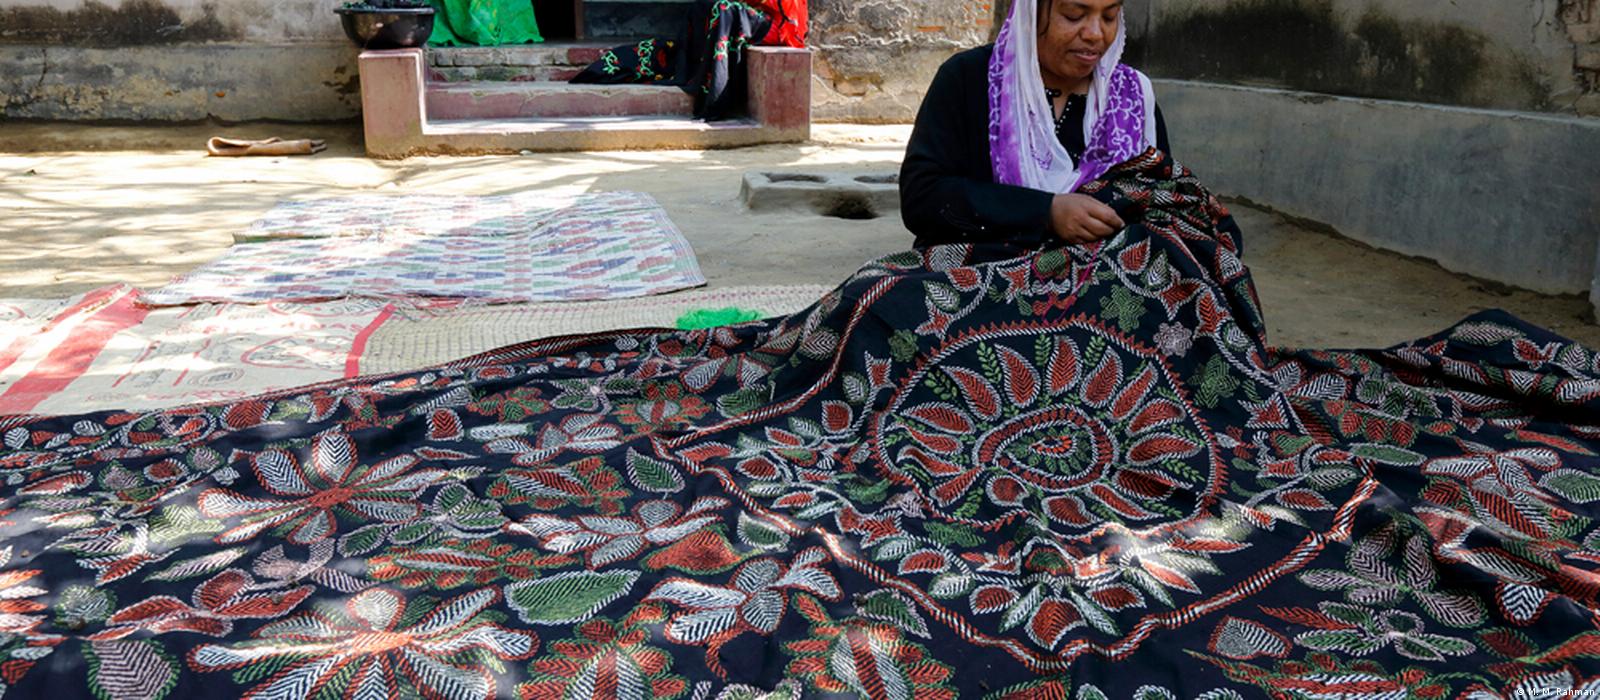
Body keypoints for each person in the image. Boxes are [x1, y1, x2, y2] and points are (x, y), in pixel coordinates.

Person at [899, 0, 1170, 248]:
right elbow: (922, 197)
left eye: (1109, 17)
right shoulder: (968, 79)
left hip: (1102, 275)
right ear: (1031, 12)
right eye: (1074, 16)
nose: (1095, 34)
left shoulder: (1132, 97)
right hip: (982, 267)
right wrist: (1044, 212)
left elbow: (1166, 200)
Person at [571, 0, 807, 120]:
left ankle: (715, 93)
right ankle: (694, 70)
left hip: (776, 24)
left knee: (724, 9)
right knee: (703, 6)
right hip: (749, 13)